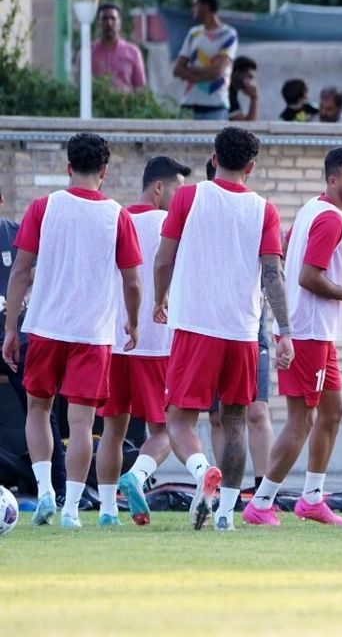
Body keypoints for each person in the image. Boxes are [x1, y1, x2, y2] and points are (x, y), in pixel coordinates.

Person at [154, 126, 293, 532]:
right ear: (251, 166)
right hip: (242, 332)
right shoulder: (265, 209)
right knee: (235, 422)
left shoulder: (188, 196)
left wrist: (159, 299)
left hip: (195, 325)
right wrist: (284, 330)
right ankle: (226, 515)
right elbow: (273, 275)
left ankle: (202, 474)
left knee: (178, 420)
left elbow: (164, 259)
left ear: (214, 158)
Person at [2, 133, 143, 529]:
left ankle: (46, 490)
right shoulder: (118, 215)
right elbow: (132, 281)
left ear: (67, 168)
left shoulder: (43, 208)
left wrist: (11, 327)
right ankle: (71, 510)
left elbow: (20, 271)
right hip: (93, 331)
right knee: (82, 424)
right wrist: (131, 320)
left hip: (46, 325)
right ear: (105, 171)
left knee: (38, 410)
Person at [244, 149, 342, 527]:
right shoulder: (330, 219)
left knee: (333, 413)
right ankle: (262, 502)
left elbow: (288, 258)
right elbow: (307, 277)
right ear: (332, 181)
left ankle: (312, 499)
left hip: (319, 334)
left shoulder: (310, 210)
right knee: (301, 421)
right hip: (309, 335)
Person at [95, 155, 192, 527]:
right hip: (157, 343)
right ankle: (134, 477)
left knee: (113, 430)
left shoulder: (116, 219)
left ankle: (106, 511)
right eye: (178, 191)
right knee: (166, 429)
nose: (180, 200)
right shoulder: (170, 225)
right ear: (159, 188)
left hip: (114, 340)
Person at [200, 159, 275, 495]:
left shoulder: (256, 212)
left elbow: (273, 271)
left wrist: (283, 329)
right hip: (207, 326)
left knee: (255, 410)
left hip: (248, 325)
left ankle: (263, 492)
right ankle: (221, 488)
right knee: (217, 416)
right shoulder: (200, 215)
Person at [0, 185, 68, 500]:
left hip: (17, 334)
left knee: (39, 405)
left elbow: (37, 270)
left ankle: (57, 486)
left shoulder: (15, 233)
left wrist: (25, 297)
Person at [173, 0, 238, 120]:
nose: (193, 8)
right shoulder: (193, 33)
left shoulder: (228, 35)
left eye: (195, 4)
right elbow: (177, 69)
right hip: (189, 105)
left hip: (216, 106)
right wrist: (204, 75)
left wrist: (190, 70)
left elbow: (216, 71)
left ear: (206, 6)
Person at [89, 3, 146, 93]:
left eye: (113, 18)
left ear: (120, 23)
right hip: (96, 106)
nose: (109, 23)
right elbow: (77, 84)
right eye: (104, 19)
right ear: (98, 23)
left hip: (125, 105)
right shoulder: (88, 53)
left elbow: (140, 88)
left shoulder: (133, 52)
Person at [228, 56, 260, 121]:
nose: (252, 83)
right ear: (237, 74)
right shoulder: (228, 94)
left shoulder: (232, 93)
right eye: (249, 77)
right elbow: (248, 125)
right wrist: (254, 98)